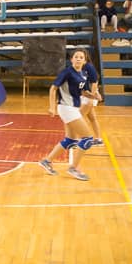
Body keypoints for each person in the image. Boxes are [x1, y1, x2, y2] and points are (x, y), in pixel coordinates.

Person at [38, 49, 96, 181]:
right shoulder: (67, 72)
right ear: (72, 59)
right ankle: (74, 168)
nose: (79, 59)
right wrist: (52, 107)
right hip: (66, 107)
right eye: (76, 57)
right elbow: (53, 88)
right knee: (87, 138)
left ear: (85, 61)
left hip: (73, 108)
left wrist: (93, 95)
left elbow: (82, 91)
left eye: (81, 57)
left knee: (70, 140)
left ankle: (47, 161)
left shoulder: (82, 74)